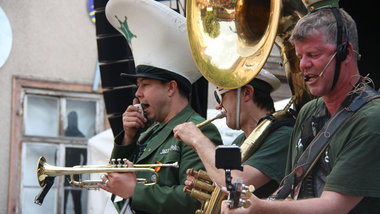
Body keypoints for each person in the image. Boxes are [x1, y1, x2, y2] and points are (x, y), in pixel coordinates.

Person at [221, 2, 380, 214]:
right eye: (299, 56)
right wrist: (248, 203)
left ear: (346, 52)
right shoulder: (309, 111)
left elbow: (333, 206)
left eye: (313, 55)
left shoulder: (372, 118)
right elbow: (291, 190)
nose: (303, 65)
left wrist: (260, 208)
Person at [99, 0, 223, 213]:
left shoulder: (200, 129)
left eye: (145, 85)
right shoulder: (148, 133)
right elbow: (116, 188)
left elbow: (199, 199)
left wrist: (135, 191)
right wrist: (127, 138)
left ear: (171, 88)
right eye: (138, 86)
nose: (138, 94)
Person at [174, 69, 294, 199]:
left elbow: (235, 182)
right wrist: (209, 187)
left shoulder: (283, 135)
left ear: (246, 93)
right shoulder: (239, 140)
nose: (218, 106)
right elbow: (224, 178)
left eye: (220, 96)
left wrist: (197, 139)